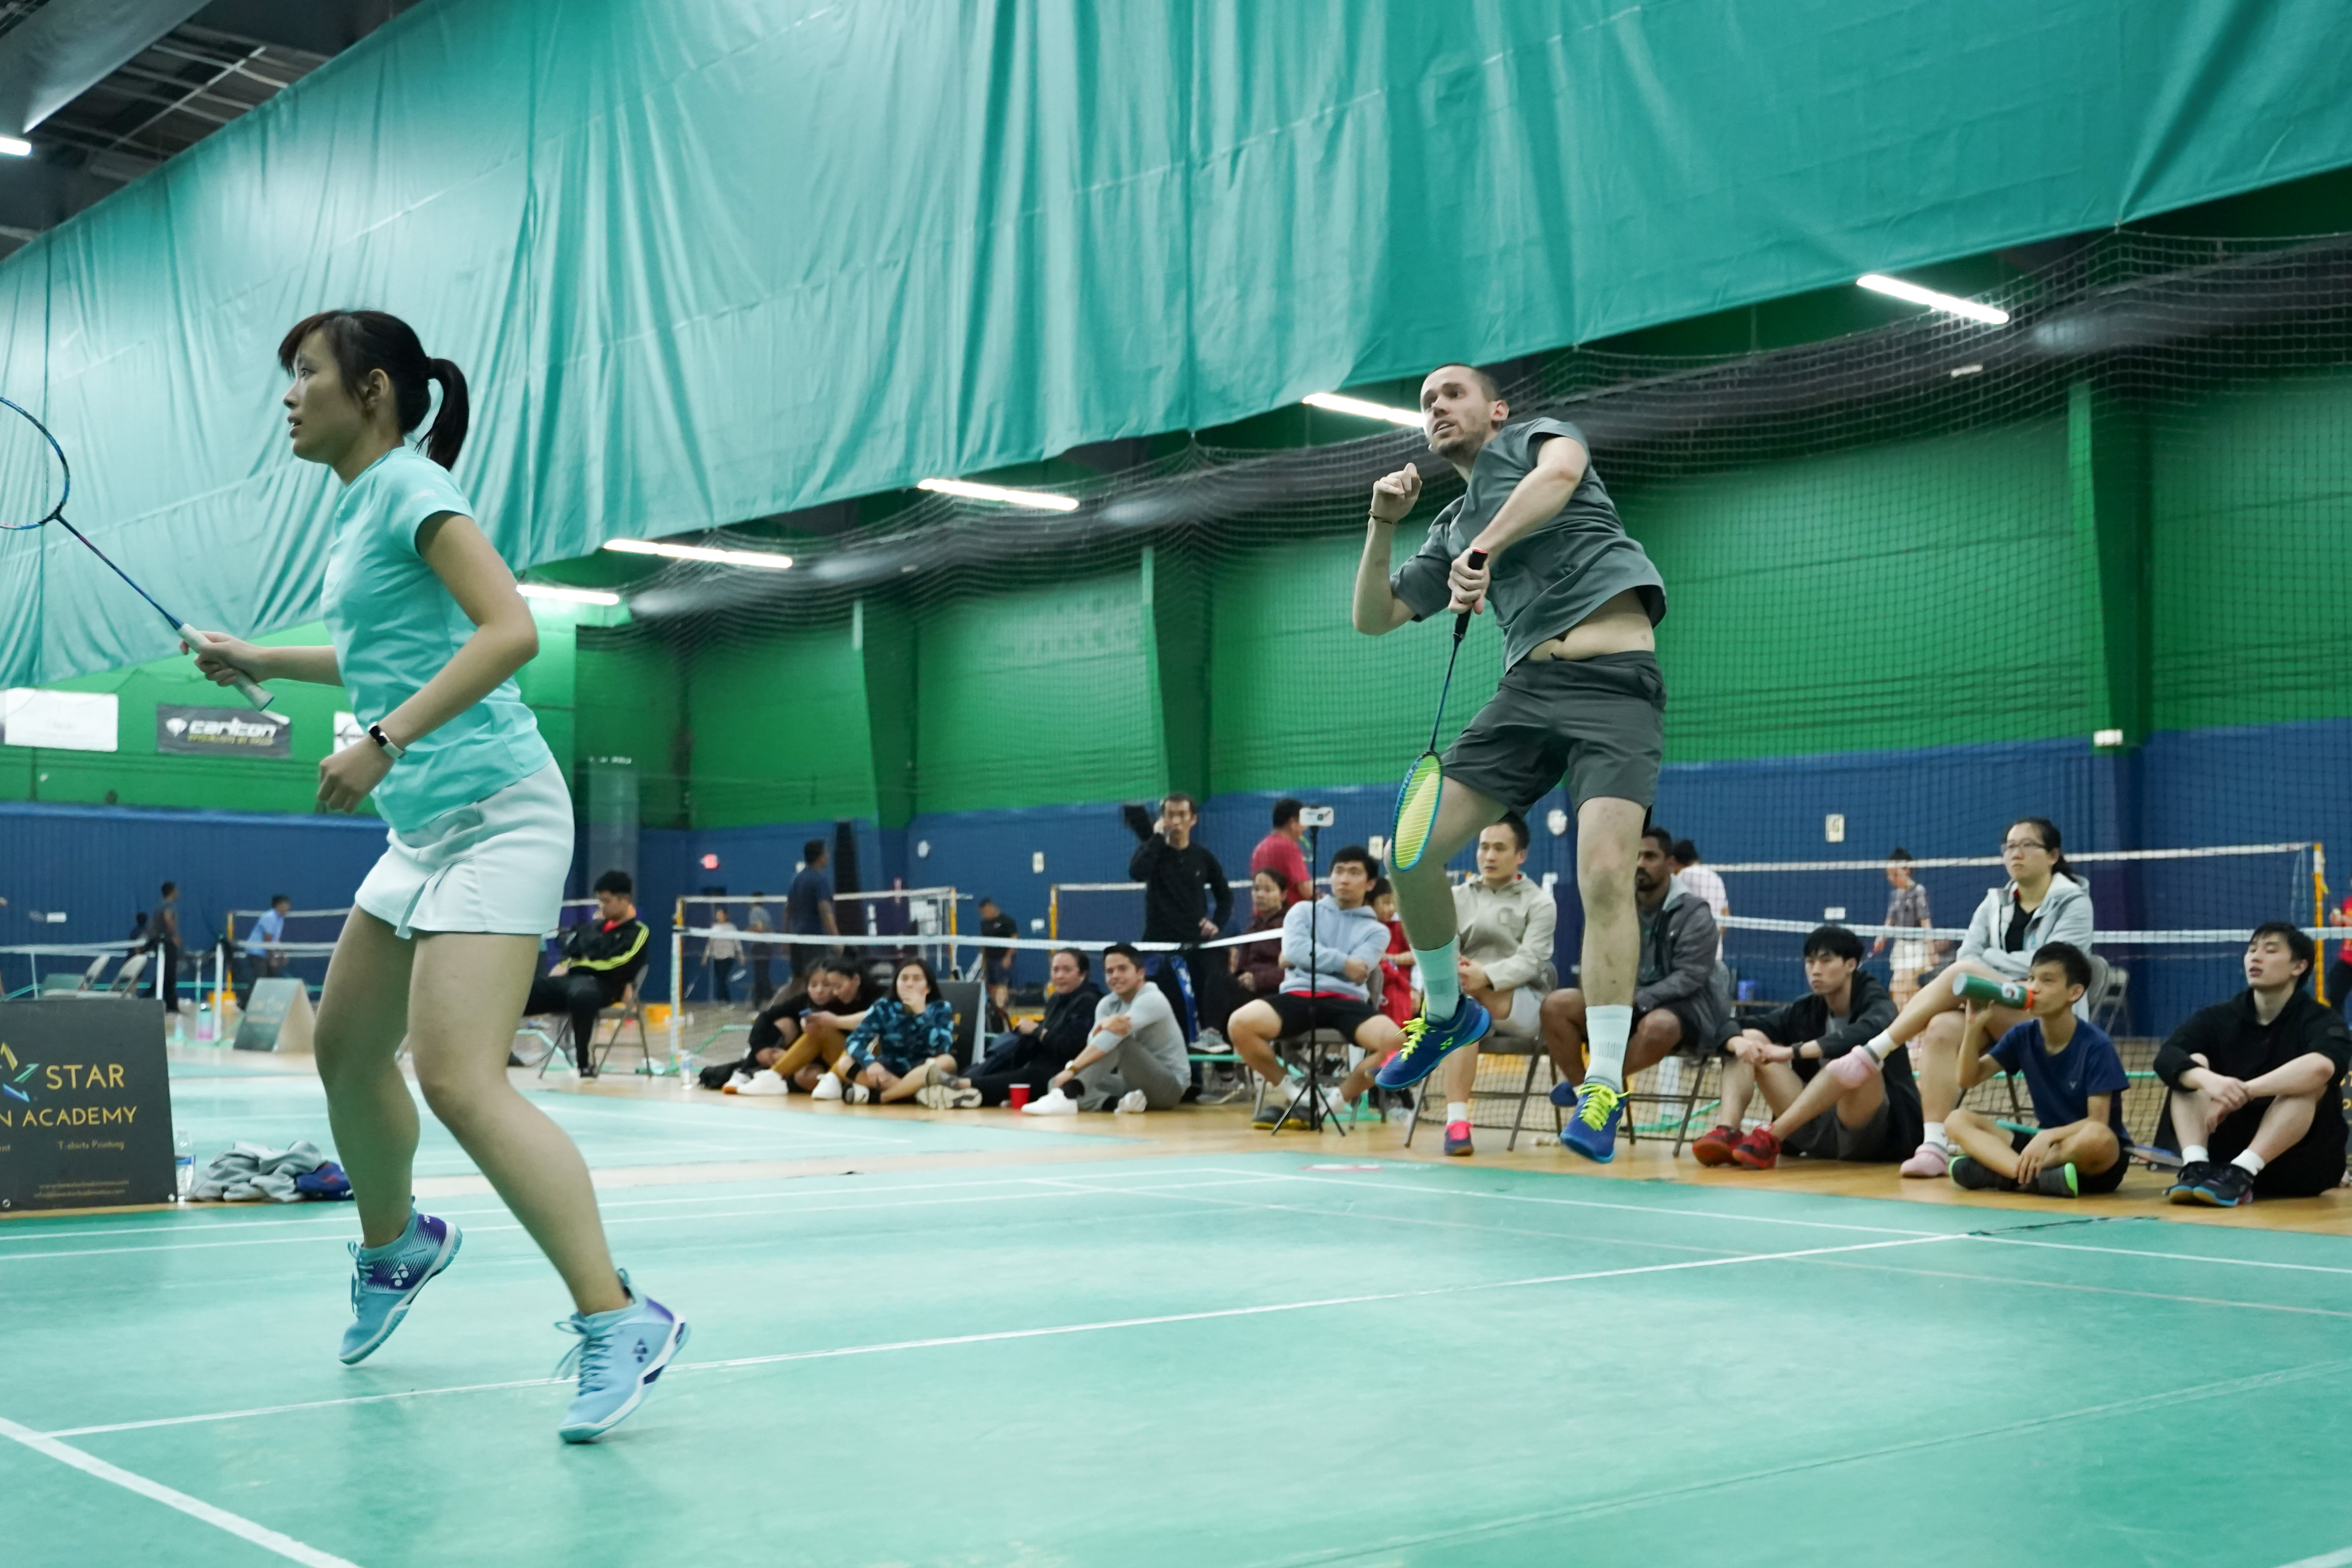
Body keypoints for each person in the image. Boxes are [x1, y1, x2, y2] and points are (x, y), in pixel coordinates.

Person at [186, 310, 680, 1441]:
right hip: (423, 830)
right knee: (349, 1051)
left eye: (306, 372)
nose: (288, 395)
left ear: (371, 390)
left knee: (460, 1078)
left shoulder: (412, 486)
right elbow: (377, 654)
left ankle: (621, 1317)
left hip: (499, 812)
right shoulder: (360, 507)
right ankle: (398, 1243)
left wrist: (383, 740)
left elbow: (508, 630)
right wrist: (262, 658)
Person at [1352, 363, 1668, 1164]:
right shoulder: (1450, 525)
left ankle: (1602, 1082)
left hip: (1615, 681)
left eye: (1451, 394)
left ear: (1496, 410)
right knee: (1410, 852)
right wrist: (1382, 522)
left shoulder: (1538, 440)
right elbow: (1374, 617)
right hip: (1527, 691)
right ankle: (1446, 1010)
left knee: (1606, 874)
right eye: (1426, 403)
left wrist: (1484, 548)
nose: (1436, 407)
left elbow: (1558, 478)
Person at [1813, 817, 2094, 1179]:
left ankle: (1872, 1052)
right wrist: (1990, 973)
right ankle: (1933, 1145)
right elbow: (1967, 955)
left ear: (2053, 855)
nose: (2016, 853)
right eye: (2010, 846)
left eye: (2027, 845)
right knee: (1942, 1026)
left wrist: (1988, 965)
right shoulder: (1994, 903)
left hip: (2049, 1019)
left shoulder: (2074, 903)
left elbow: (2054, 969)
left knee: (1966, 972)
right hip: (2000, 1013)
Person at [2153, 923, 2350, 1206]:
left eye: (2270, 951)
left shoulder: (2322, 1020)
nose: (2255, 957)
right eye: (2252, 950)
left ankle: (2245, 1171)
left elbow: (2322, 1068)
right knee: (2191, 1065)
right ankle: (2195, 1166)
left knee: (2307, 1084)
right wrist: (2209, 1081)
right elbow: (2167, 1056)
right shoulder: (2217, 1017)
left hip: (2299, 1166)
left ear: (2299, 966)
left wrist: (2242, 1092)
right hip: (2220, 1165)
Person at [1693, 924, 1917, 1169]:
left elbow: (1871, 1029)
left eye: (1826, 961)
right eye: (1810, 962)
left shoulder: (1877, 1002)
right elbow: (1731, 1026)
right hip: (1812, 1127)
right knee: (1748, 1037)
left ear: (1851, 965)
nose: (1816, 970)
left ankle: (1772, 1136)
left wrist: (1795, 1051)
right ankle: (1728, 1132)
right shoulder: (1806, 1010)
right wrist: (1736, 1041)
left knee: (1858, 1057)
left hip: (1869, 1136)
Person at [1540, 825, 1721, 1121]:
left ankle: (1602, 1088)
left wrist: (1640, 998)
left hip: (1681, 1009)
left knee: (1658, 1026)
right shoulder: (1613, 906)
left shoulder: (1694, 913)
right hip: (1624, 1003)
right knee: (1556, 1005)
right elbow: (1596, 959)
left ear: (1670, 864)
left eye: (1650, 856)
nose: (1640, 863)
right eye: (1634, 856)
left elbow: (1690, 976)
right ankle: (1582, 1090)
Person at [1224, 846, 1406, 1126]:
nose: (1344, 879)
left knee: (1397, 1045)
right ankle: (1299, 1097)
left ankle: (1330, 1104)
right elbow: (1295, 952)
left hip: (1347, 1001)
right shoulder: (1302, 911)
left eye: (1354, 873)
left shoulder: (1377, 931)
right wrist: (1343, 962)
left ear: (1370, 884)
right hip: (1298, 995)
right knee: (1239, 1024)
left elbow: (1359, 970)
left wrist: (1311, 956)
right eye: (1339, 871)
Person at [1941, 943, 2127, 1198]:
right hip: (2042, 1144)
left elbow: (2097, 1122)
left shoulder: (2097, 1046)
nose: (2033, 988)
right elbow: (1968, 1079)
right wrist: (1973, 1027)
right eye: (2031, 979)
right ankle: (2027, 1176)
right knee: (1956, 1120)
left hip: (2081, 1150)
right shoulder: (2022, 1035)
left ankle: (2000, 1172)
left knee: (2099, 1138)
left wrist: (2048, 1137)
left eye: (2047, 981)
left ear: (2074, 993)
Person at [1431, 814, 1555, 1157]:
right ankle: (1457, 1124)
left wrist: (1485, 976)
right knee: (1464, 1020)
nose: (1489, 856)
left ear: (1521, 856)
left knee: (1459, 1010)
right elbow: (1441, 947)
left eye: (1500, 848)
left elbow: (1532, 960)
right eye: (1484, 847)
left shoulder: (1540, 902)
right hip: (1467, 998)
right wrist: (1461, 971)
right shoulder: (1456, 897)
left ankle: (1414, 1047)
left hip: (1522, 1005)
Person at [1024, 944, 1192, 1114]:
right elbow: (1095, 1044)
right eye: (1110, 971)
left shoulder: (1152, 999)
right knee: (1056, 1082)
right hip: (1130, 1082)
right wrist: (1102, 1026)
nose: (1115, 976)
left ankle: (1068, 1095)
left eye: (1122, 969)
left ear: (1140, 974)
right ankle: (1117, 1104)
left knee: (1121, 1043)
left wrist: (1072, 1069)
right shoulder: (1107, 1004)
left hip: (1169, 1089)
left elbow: (1113, 1039)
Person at [1124, 792, 1232, 1041]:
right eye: (1170, 815)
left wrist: (1217, 922)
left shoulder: (1203, 857)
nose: (1176, 821)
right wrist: (1156, 838)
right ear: (1162, 819)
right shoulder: (1154, 852)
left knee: (1217, 975)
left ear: (1193, 819)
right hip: (1158, 944)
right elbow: (1137, 873)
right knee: (1167, 1001)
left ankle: (1212, 1036)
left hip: (1194, 942)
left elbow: (1225, 896)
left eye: (1182, 815)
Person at [938, 948, 1105, 1107]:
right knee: (1006, 1063)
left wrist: (1037, 1031)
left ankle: (961, 1087)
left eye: (1067, 970)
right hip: (1041, 1064)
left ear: (1082, 974)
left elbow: (1070, 1050)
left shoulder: (1089, 1002)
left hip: (1067, 1072)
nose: (1060, 975)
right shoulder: (1056, 999)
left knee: (1031, 1075)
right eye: (1056, 970)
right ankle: (964, 1088)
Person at [525, 872, 650, 1077]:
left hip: (605, 986)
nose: (602, 907)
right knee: (525, 993)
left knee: (583, 995)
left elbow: (618, 964)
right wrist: (566, 966)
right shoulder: (592, 928)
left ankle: (583, 1062)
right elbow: (572, 953)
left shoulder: (638, 932)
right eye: (600, 902)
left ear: (624, 900)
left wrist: (574, 967)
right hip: (570, 983)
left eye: (607, 901)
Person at [715, 956, 873, 1094]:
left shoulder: (854, 1002)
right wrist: (760, 1049)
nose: (820, 991)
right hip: (817, 1056)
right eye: (813, 985)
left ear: (856, 981)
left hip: (846, 1059)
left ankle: (778, 1077)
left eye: (829, 985)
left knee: (815, 1048)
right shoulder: (803, 1001)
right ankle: (752, 1072)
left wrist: (833, 1022)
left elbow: (864, 1028)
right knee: (785, 1025)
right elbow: (766, 1016)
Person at [833, 957, 964, 1106]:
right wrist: (870, 1063)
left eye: (917, 979)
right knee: (845, 1063)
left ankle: (885, 1097)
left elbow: (943, 1047)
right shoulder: (884, 1007)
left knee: (947, 1061)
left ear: (928, 988)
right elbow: (854, 1041)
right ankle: (915, 1094)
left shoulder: (940, 1008)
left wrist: (921, 1014)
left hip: (924, 1071)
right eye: (904, 979)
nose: (909, 984)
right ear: (896, 984)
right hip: (889, 1072)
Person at [1869, 849, 1936, 1006]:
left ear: (1907, 870)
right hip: (1900, 949)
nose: (1891, 878)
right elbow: (1889, 921)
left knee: (1902, 989)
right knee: (1903, 992)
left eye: (1895, 874)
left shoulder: (1918, 892)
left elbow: (1926, 923)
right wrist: (1881, 938)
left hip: (1916, 949)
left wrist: (1931, 950)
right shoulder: (1896, 895)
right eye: (1889, 875)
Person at [785, 838, 838, 984]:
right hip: (814, 940)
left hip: (797, 939)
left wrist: (786, 937)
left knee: (797, 982)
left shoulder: (797, 879)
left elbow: (788, 908)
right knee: (817, 981)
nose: (828, 856)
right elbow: (825, 910)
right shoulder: (820, 880)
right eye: (826, 853)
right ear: (820, 857)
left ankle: (776, 1000)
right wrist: (836, 939)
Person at [1230, 870, 1288, 1001]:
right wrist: (1243, 978)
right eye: (1256, 889)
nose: (1260, 895)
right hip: (1246, 990)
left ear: (1283, 895)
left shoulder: (1290, 927)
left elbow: (1292, 970)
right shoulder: (1251, 931)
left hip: (1276, 993)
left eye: (1268, 890)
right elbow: (1241, 968)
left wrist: (1258, 981)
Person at [1368, 877, 1416, 1030]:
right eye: (1386, 903)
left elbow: (1416, 956)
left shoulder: (1399, 928)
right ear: (1370, 903)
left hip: (1400, 988)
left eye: (1394, 903)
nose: (1392, 908)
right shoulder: (1365, 929)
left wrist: (1390, 958)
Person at [1670, 840, 1727, 961]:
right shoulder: (1715, 877)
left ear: (1675, 861)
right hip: (1716, 954)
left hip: (1692, 955)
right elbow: (1725, 914)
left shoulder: (1685, 874)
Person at [1251, 798, 1313, 906]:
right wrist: (1324, 901)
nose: (1305, 828)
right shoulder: (1289, 848)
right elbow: (1306, 890)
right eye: (1303, 822)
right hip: (1289, 913)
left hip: (1264, 914)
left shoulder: (1260, 848)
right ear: (1292, 823)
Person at [236, 892, 293, 1007]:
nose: (289, 907)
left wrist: (282, 954)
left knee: (268, 978)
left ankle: (264, 1003)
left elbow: (277, 939)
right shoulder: (270, 917)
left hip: (265, 953)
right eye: (286, 905)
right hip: (256, 952)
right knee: (260, 979)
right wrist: (273, 958)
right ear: (279, 905)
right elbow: (267, 940)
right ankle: (243, 1003)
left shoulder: (280, 919)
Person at [977, 896, 1018, 1022]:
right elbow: (983, 941)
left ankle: (1002, 1010)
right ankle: (996, 1012)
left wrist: (1008, 957)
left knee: (1001, 984)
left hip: (1002, 958)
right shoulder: (985, 923)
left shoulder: (1006, 921)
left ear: (992, 908)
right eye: (982, 913)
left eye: (985, 911)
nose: (984, 914)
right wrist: (982, 959)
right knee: (992, 984)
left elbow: (1014, 939)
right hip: (990, 959)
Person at [151, 879, 181, 1004]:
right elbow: (168, 918)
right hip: (167, 943)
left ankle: (170, 1002)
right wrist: (174, 936)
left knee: (166, 974)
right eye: (176, 890)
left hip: (161, 943)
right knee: (169, 974)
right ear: (172, 892)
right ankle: (149, 998)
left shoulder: (160, 906)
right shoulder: (168, 905)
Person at [704, 905, 740, 1004]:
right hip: (717, 957)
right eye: (717, 915)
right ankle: (726, 1000)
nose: (718, 916)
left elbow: (737, 942)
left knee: (722, 978)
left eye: (720, 914)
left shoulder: (732, 928)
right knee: (720, 979)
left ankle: (723, 1000)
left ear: (726, 915)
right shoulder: (714, 928)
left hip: (728, 957)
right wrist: (706, 956)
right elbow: (710, 943)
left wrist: (741, 955)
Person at [745, 892, 775, 1005]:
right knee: (764, 973)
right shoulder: (765, 912)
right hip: (767, 946)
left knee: (760, 974)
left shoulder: (755, 912)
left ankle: (763, 999)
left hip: (760, 946)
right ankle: (766, 999)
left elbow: (758, 927)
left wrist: (746, 932)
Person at [2328, 893, 2352, 1019]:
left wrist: (2346, 919)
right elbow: (2341, 924)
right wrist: (2336, 919)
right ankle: (2337, 1026)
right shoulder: (2348, 902)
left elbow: (2348, 921)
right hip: (2347, 960)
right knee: (2335, 991)